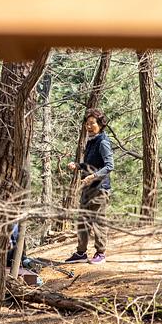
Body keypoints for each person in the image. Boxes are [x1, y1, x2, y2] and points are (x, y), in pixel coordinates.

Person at [66, 109, 114, 263]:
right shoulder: (92, 140)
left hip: (100, 189)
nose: (89, 126)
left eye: (92, 123)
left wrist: (93, 176)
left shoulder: (103, 142)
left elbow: (109, 166)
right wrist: (78, 166)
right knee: (82, 220)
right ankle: (81, 253)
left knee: (98, 221)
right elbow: (91, 164)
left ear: (100, 124)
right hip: (87, 188)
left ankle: (101, 253)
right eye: (87, 123)